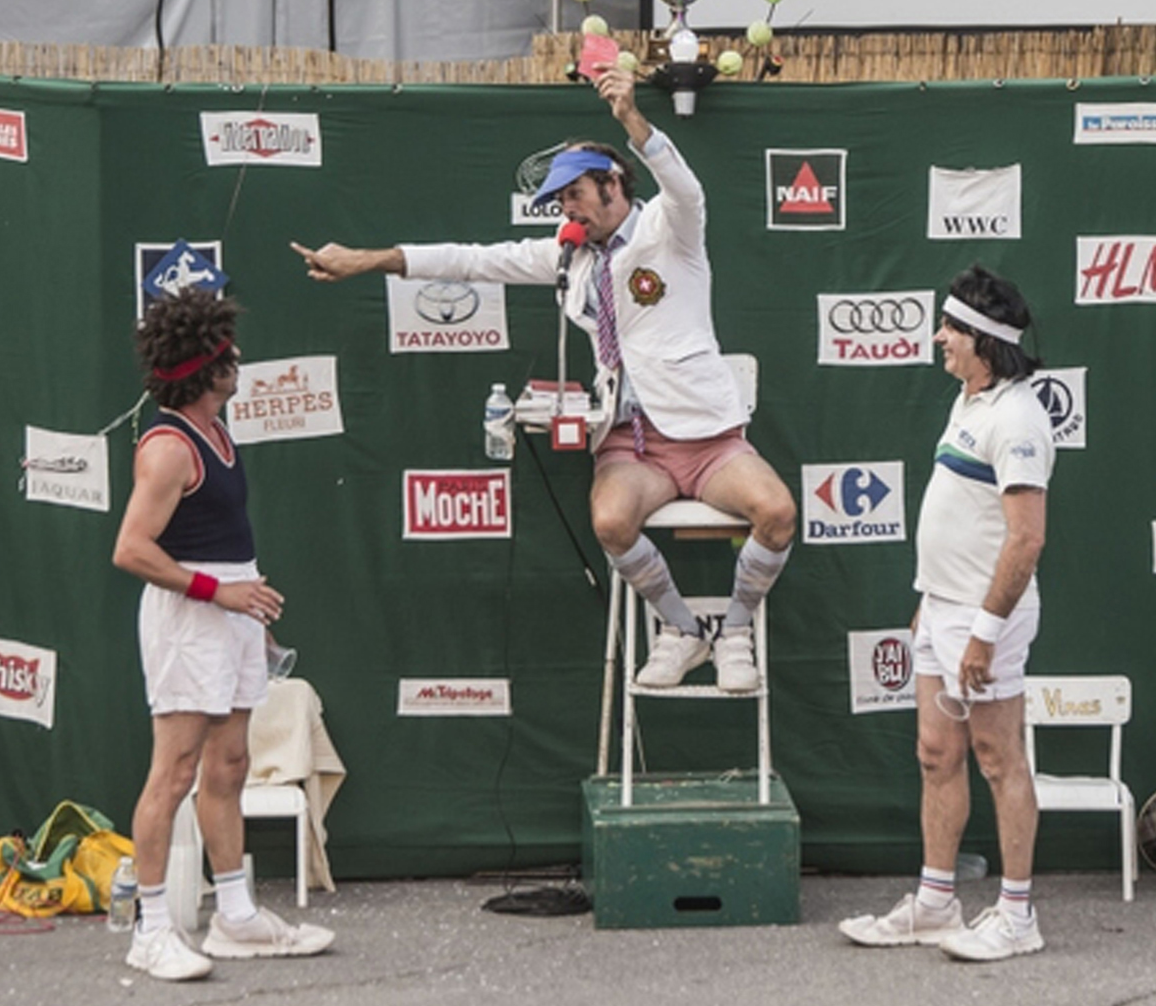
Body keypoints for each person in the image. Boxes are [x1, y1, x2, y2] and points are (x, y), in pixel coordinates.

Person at [290, 65, 795, 692]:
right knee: (611, 523)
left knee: (777, 512)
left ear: (612, 184)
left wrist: (631, 118)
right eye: (558, 200)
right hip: (631, 441)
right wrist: (369, 261)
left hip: (706, 436)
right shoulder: (567, 257)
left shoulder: (669, 230)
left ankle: (736, 632)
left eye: (574, 193)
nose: (566, 208)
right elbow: (473, 261)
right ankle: (682, 629)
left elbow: (685, 188)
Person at [112, 287, 334, 981]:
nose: (238, 361)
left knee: (230, 764)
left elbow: (222, 540)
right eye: (228, 355)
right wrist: (221, 594)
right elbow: (130, 549)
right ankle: (151, 929)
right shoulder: (168, 448)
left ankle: (235, 917)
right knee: (174, 771)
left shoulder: (217, 431)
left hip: (231, 614)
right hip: (190, 619)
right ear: (205, 369)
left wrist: (247, 609)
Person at [840, 264, 1054, 962]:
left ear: (984, 340)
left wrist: (983, 634)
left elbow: (1025, 539)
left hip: (985, 621)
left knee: (998, 757)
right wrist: (927, 602)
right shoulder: (969, 399)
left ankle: (1017, 916)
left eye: (951, 328)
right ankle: (935, 904)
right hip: (941, 610)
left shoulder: (1018, 418)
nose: (938, 337)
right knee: (936, 754)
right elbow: (962, 515)